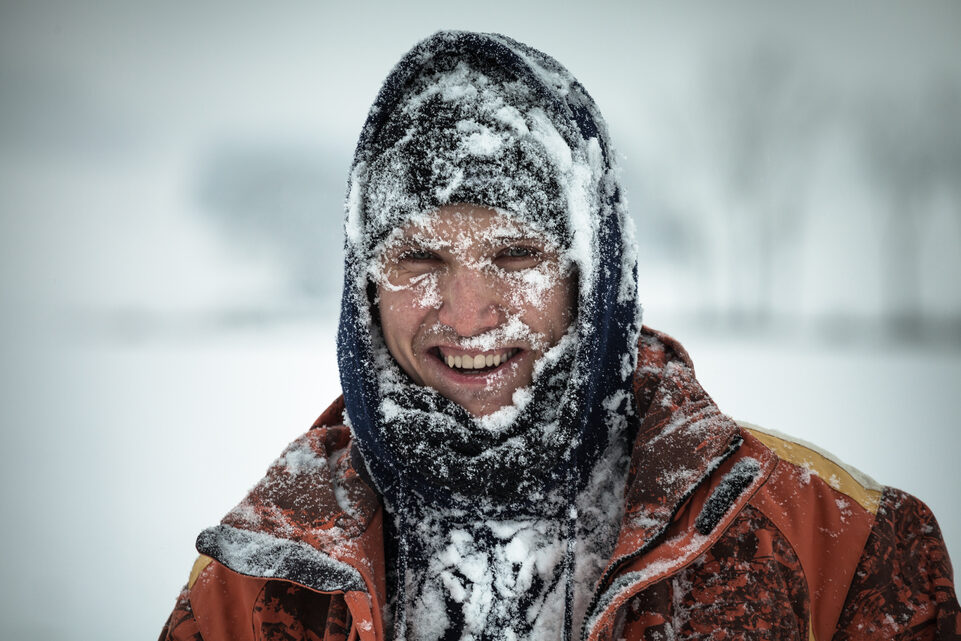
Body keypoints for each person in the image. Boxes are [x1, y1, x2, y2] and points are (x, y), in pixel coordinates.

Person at [159, 31, 960, 641]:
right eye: (419, 257)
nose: (468, 312)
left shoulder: (838, 546)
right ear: (364, 285)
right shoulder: (257, 574)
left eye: (516, 254)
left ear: (597, 274)